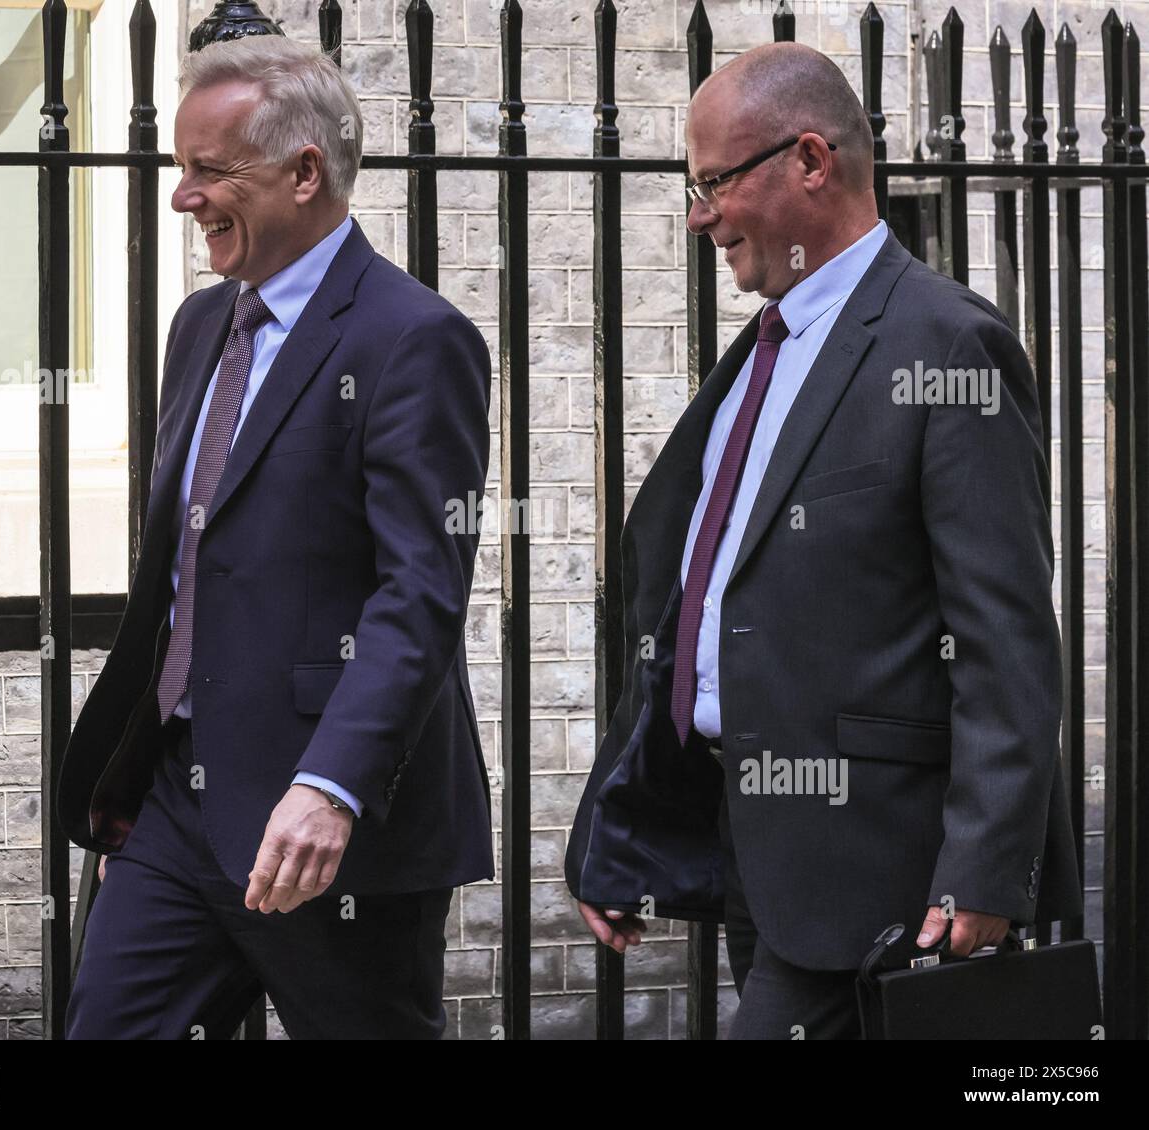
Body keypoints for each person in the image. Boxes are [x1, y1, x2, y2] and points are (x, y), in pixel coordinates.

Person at [564, 41, 1082, 1039]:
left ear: (809, 159)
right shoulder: (758, 357)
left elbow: (1005, 634)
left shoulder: (946, 344)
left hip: (885, 878)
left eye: (715, 180)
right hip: (754, 853)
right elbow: (695, 603)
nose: (698, 214)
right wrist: (617, 820)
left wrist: (983, 867)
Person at [57, 34, 493, 1039]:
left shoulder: (412, 339)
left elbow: (419, 591)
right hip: (174, 800)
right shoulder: (198, 328)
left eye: (209, 171)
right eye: (181, 169)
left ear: (305, 173)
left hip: (325, 825)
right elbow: (183, 563)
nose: (184, 196)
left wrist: (331, 785)